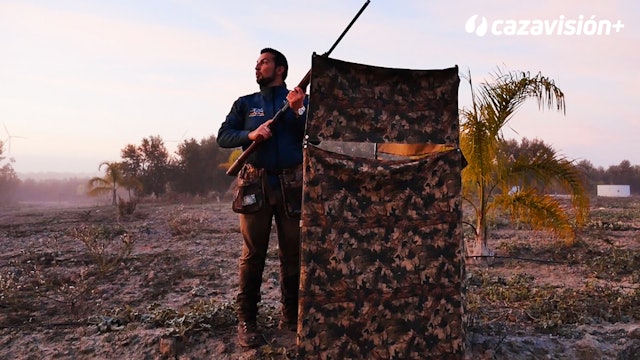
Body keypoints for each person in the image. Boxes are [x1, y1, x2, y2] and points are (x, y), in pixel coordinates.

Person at [217, 47, 307, 348]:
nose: (258, 67)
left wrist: (298, 110)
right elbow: (223, 136)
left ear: (280, 69)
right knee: (253, 256)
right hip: (254, 185)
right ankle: (247, 321)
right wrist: (251, 135)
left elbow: (313, 134)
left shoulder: (299, 101)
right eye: (257, 63)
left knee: (292, 255)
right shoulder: (245, 104)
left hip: (292, 186)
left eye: (264, 62)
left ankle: (291, 318)